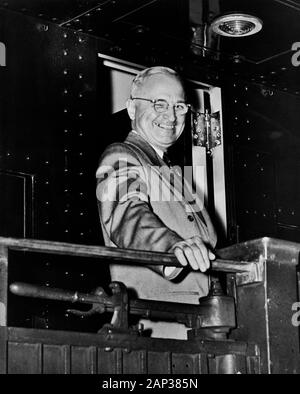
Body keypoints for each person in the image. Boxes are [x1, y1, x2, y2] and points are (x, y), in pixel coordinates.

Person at [96, 66, 217, 339]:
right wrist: (172, 247)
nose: (171, 115)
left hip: (199, 322)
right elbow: (126, 213)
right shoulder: (121, 155)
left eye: (179, 106)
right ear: (131, 109)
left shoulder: (173, 173)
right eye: (159, 103)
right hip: (159, 326)